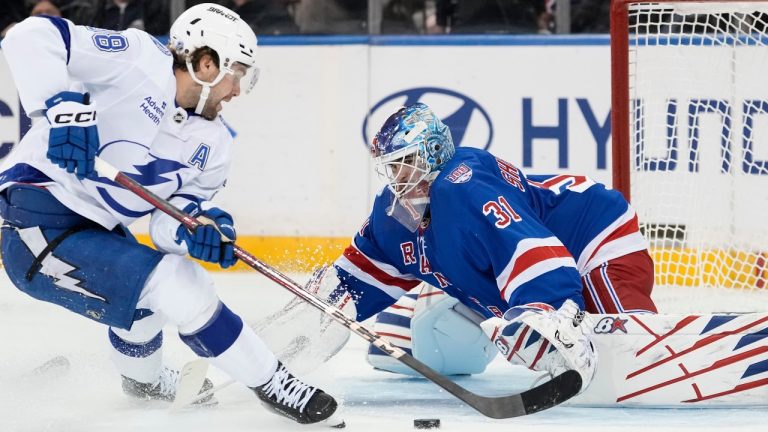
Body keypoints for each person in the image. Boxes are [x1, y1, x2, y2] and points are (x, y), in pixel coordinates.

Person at [0, 3, 339, 425]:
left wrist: (200, 229)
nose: (237, 90)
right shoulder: (138, 60)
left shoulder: (214, 145)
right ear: (206, 63)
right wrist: (57, 107)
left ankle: (143, 383)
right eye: (236, 72)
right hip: (35, 224)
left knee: (145, 310)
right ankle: (273, 382)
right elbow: (29, 35)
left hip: (94, 229)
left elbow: (166, 224)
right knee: (180, 283)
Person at [260, 102, 657, 392]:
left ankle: (648, 347)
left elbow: (534, 255)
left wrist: (545, 310)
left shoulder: (463, 184)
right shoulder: (393, 212)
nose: (399, 177)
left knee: (620, 351)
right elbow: (355, 283)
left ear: (433, 153)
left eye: (407, 162)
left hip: (592, 237)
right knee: (399, 345)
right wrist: (318, 313)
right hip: (513, 277)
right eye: (393, 166)